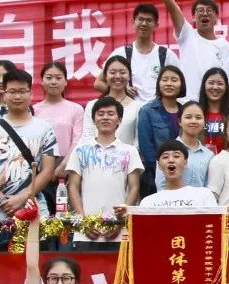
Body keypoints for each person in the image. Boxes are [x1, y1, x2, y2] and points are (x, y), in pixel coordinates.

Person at [0, 69, 58, 226]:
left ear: (31, 94)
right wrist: (2, 200)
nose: (17, 96)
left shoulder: (45, 129)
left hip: (34, 209)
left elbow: (48, 170)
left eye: (22, 91)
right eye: (12, 92)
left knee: (37, 244)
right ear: (4, 95)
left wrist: (22, 198)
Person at [66, 96, 143, 250]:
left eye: (110, 114)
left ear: (119, 120)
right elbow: (73, 186)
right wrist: (83, 221)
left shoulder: (129, 151)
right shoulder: (80, 150)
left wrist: (119, 221)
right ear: (93, 120)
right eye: (100, 114)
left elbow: (134, 187)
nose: (105, 117)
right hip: (86, 231)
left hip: (119, 231)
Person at [152, 0, 229, 95]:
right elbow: (172, 7)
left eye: (209, 10)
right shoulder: (187, 35)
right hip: (187, 102)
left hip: (212, 103)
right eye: (200, 10)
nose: (205, 14)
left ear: (216, 17)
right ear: (193, 17)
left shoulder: (225, 47)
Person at [95, 2, 178, 103]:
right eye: (141, 19)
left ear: (156, 25)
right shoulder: (121, 53)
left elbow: (180, 84)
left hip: (159, 111)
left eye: (149, 20)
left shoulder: (167, 55)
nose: (144, 23)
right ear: (133, 21)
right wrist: (121, 91)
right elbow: (98, 83)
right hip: (129, 111)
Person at [137, 65, 186, 196]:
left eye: (174, 80)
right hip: (155, 179)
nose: (169, 83)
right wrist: (165, 172)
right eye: (164, 80)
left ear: (181, 84)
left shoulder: (185, 111)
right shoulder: (147, 111)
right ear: (158, 83)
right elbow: (147, 149)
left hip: (183, 176)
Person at [139, 139, 219, 208]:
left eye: (176, 156)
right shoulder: (148, 203)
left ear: (185, 163)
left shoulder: (204, 195)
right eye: (165, 157)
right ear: (159, 165)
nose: (171, 160)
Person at [83, 55, 143, 146]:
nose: (117, 76)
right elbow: (87, 137)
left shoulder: (138, 108)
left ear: (129, 76)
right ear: (105, 76)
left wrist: (128, 154)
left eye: (122, 72)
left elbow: (138, 141)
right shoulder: (92, 105)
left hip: (127, 154)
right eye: (112, 72)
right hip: (95, 155)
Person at [35, 62, 85, 166]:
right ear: (42, 81)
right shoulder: (33, 110)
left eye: (58, 78)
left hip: (69, 164)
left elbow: (78, 140)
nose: (53, 82)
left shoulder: (76, 109)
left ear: (66, 82)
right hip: (40, 164)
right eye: (49, 78)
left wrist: (64, 165)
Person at [168, 101, 215, 189]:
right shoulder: (167, 150)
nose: (194, 121)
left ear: (204, 122)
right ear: (180, 121)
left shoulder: (209, 155)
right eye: (188, 117)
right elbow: (161, 186)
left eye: (198, 117)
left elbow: (209, 187)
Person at [198, 67, 229, 153]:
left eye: (220, 83)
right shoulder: (195, 114)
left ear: (226, 87)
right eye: (211, 83)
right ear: (204, 85)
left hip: (225, 160)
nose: (215, 87)